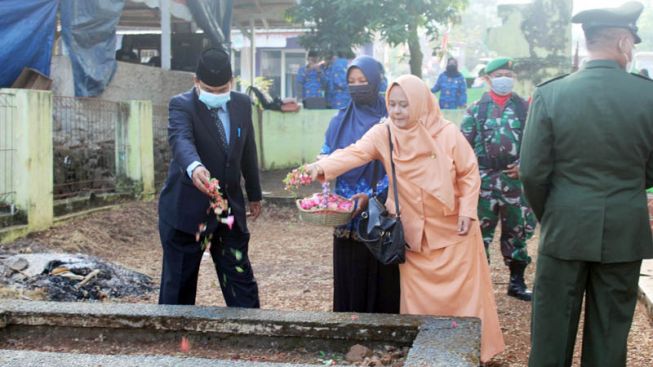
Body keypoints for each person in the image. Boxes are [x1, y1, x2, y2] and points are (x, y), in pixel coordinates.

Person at [306, 75, 504, 363]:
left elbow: (469, 173)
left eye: (404, 105)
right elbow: (354, 153)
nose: (397, 112)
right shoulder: (384, 133)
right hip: (413, 235)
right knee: (418, 303)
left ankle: (470, 354)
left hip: (453, 232)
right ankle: (426, 357)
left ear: (421, 104)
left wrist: (467, 211)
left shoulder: (446, 133)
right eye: (393, 105)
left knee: (464, 298)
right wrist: (319, 167)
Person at [520, 2, 653, 366]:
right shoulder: (649, 95)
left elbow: (531, 171)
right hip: (624, 231)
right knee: (610, 335)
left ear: (587, 42)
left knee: (550, 335)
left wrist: (554, 212)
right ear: (625, 42)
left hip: (564, 226)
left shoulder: (551, 94)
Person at [158, 48, 263, 307]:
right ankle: (174, 339)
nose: (216, 95)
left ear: (232, 82)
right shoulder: (181, 105)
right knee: (179, 284)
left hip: (227, 211)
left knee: (239, 277)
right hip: (187, 209)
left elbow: (248, 149)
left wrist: (255, 193)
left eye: (221, 89)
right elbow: (181, 140)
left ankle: (251, 332)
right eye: (209, 89)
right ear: (196, 81)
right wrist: (195, 167)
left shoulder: (241, 103)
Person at [319, 55, 399, 314]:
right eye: (352, 81)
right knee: (349, 270)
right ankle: (348, 326)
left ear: (376, 81)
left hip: (380, 210)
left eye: (363, 80)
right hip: (346, 214)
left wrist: (373, 196)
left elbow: (400, 166)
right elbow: (326, 155)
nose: (357, 86)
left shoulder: (392, 120)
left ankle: (383, 331)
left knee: (381, 270)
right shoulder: (339, 120)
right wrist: (320, 167)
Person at [460, 57, 536, 301]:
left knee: (517, 232)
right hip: (484, 181)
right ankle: (478, 286)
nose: (505, 79)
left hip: (515, 181)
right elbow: (462, 147)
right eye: (500, 74)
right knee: (480, 234)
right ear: (487, 78)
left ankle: (516, 283)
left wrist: (524, 166)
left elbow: (536, 142)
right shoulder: (476, 108)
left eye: (509, 75)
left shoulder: (524, 107)